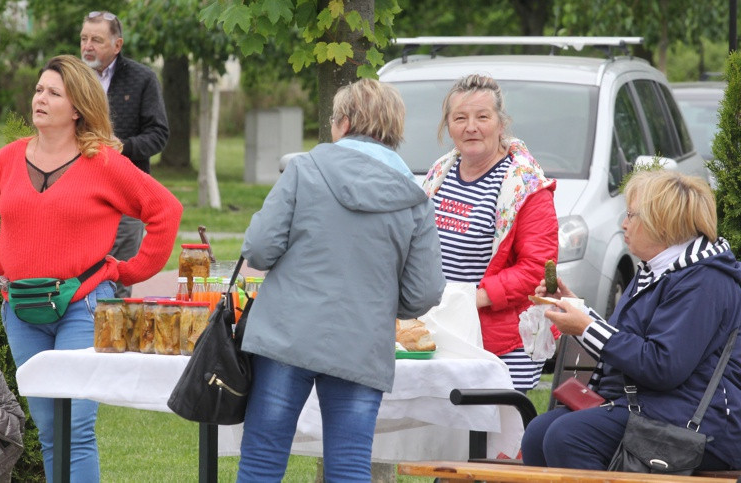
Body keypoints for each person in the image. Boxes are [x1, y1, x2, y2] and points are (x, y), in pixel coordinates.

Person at [0, 55, 183, 481]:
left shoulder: (103, 163)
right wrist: (4, 265)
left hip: (82, 307)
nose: (40, 99)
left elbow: (165, 210)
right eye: (39, 90)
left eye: (53, 93)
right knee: (48, 429)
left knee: (75, 428)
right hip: (22, 312)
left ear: (77, 106)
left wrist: (130, 272)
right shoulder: (8, 159)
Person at [237, 78, 446, 482]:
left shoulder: (303, 168)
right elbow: (425, 292)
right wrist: (379, 299)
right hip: (361, 339)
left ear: (344, 123)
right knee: (350, 466)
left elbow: (259, 249)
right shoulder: (415, 198)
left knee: (262, 460)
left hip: (286, 333)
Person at [522, 170, 741, 471]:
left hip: (699, 424)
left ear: (662, 223)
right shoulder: (658, 272)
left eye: (631, 215)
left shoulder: (705, 281)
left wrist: (586, 327)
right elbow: (629, 341)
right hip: (649, 408)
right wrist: (574, 308)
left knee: (567, 437)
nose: (623, 224)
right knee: (538, 433)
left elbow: (662, 366)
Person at [421, 74, 558, 391]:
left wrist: (472, 299)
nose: (471, 127)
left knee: (496, 438)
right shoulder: (439, 173)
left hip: (503, 342)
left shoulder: (527, 186)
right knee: (445, 434)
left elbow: (537, 268)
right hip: (443, 327)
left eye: (482, 117)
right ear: (448, 125)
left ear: (501, 124)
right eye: (460, 118)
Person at [80, 10, 169, 297]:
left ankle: (112, 341)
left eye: (96, 39)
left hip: (127, 196)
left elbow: (159, 134)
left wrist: (125, 147)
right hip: (79, 193)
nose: (87, 46)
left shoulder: (142, 78)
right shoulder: (71, 79)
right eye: (84, 38)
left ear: (117, 45)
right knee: (78, 276)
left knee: (117, 282)